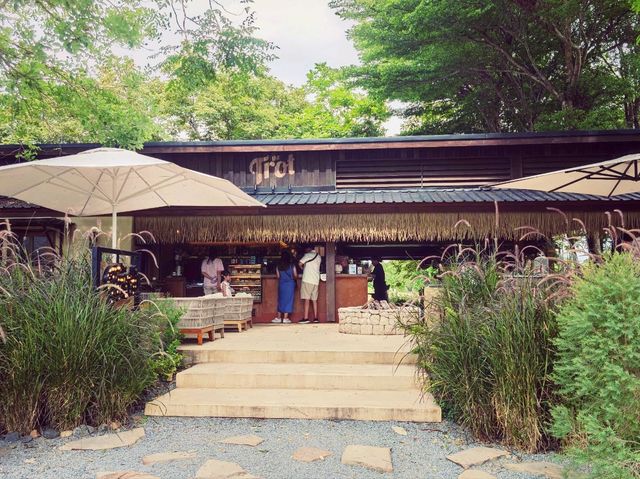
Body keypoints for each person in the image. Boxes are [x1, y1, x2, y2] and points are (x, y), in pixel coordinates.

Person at [272, 251, 297, 324]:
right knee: (289, 300)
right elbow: (295, 275)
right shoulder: (292, 265)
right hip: (290, 285)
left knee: (281, 300)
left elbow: (278, 276)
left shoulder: (278, 266)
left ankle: (279, 318)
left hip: (282, 284)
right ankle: (285, 318)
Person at [298, 245, 322, 323]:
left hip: (308, 279)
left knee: (307, 299)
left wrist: (303, 268)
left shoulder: (307, 255)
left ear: (308, 249)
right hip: (316, 280)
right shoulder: (318, 256)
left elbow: (300, 263)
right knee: (314, 300)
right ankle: (316, 318)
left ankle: (306, 318)